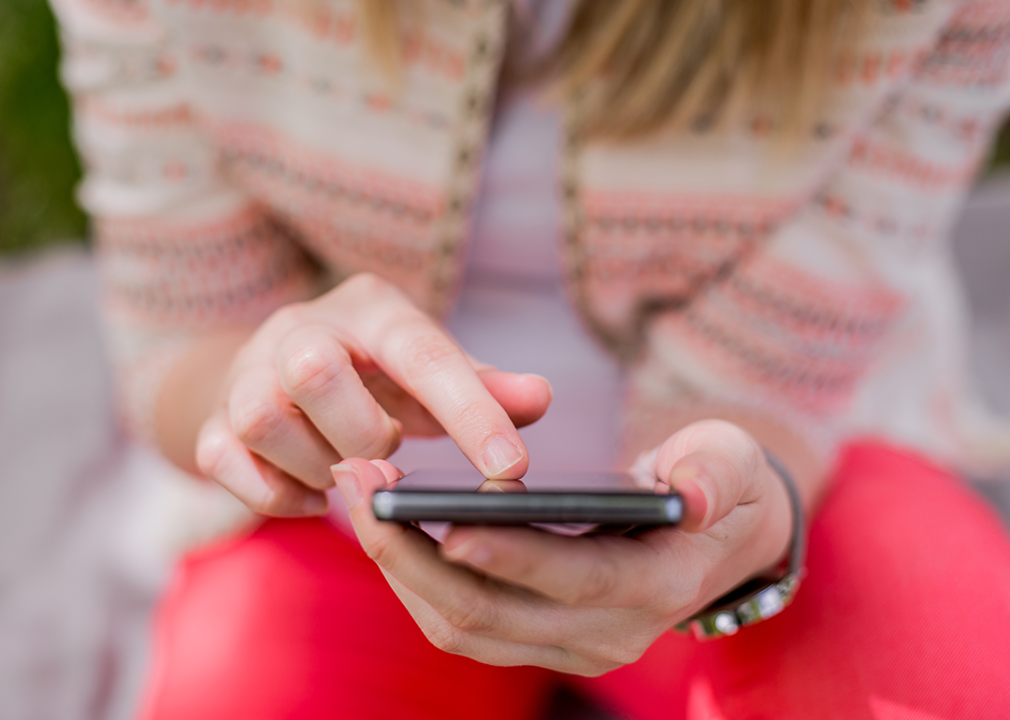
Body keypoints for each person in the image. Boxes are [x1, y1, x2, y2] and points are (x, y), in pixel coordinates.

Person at [49, 0, 1010, 717]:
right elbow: (179, 333)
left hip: (789, 472)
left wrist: (743, 536)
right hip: (338, 529)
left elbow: (784, 371)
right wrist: (262, 392)